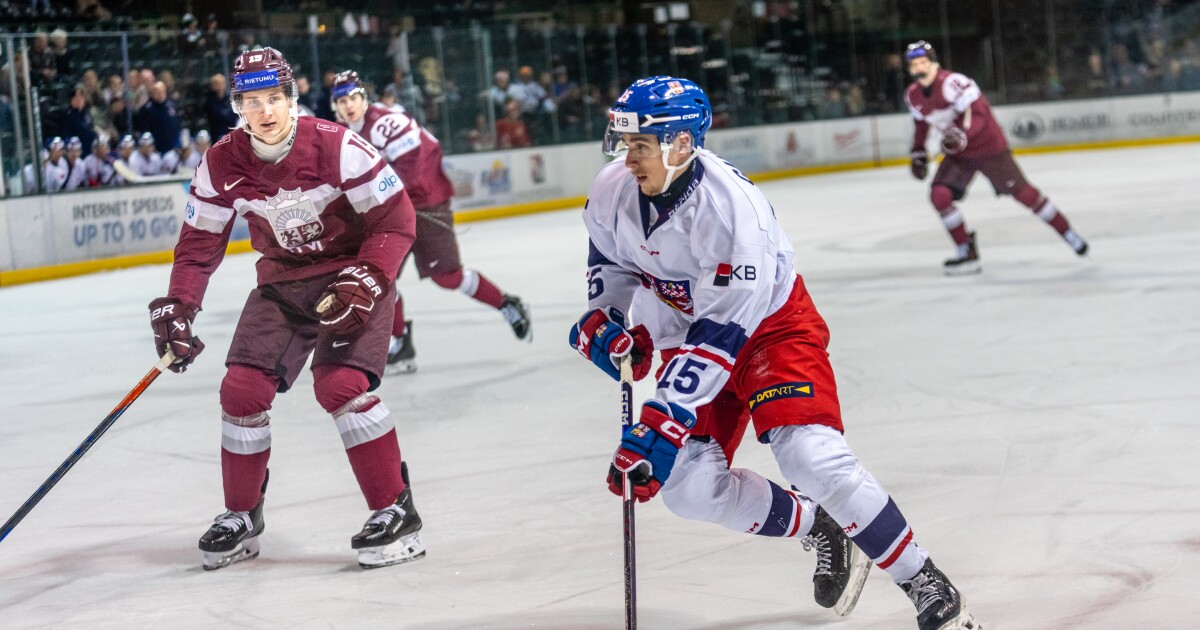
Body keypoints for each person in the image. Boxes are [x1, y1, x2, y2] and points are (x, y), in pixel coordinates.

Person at [571, 76, 981, 630]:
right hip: (694, 338)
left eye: (641, 145)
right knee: (688, 491)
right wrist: (610, 317)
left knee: (810, 457)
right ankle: (821, 525)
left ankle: (927, 584)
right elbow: (610, 259)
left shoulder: (735, 216)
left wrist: (660, 422)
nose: (628, 158)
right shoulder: (614, 187)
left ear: (683, 143)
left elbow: (723, 337)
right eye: (625, 144)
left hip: (769, 331)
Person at [146, 47, 424, 571]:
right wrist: (180, 305)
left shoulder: (337, 146)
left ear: (293, 99)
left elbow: (396, 217)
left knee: (340, 385)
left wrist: (371, 275)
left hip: (349, 278)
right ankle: (242, 517)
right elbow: (199, 244)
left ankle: (395, 509)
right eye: (253, 101)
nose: (266, 111)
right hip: (282, 284)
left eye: (275, 98)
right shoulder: (221, 163)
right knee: (241, 390)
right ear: (237, 106)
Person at [330, 70, 531, 374]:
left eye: (353, 98)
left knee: (447, 277)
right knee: (380, 279)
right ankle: (400, 343)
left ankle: (507, 304)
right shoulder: (342, 134)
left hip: (425, 203)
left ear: (364, 98)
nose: (348, 105)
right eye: (341, 100)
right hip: (390, 212)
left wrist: (372, 201)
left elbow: (412, 168)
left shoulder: (387, 122)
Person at [904, 41, 1087, 275]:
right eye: (914, 64)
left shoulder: (954, 83)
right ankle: (965, 252)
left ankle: (1068, 234)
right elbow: (920, 125)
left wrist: (963, 134)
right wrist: (918, 152)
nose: (919, 67)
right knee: (939, 196)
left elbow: (978, 115)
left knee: (1026, 195)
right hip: (959, 154)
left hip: (988, 149)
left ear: (934, 63)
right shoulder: (913, 96)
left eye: (923, 62)